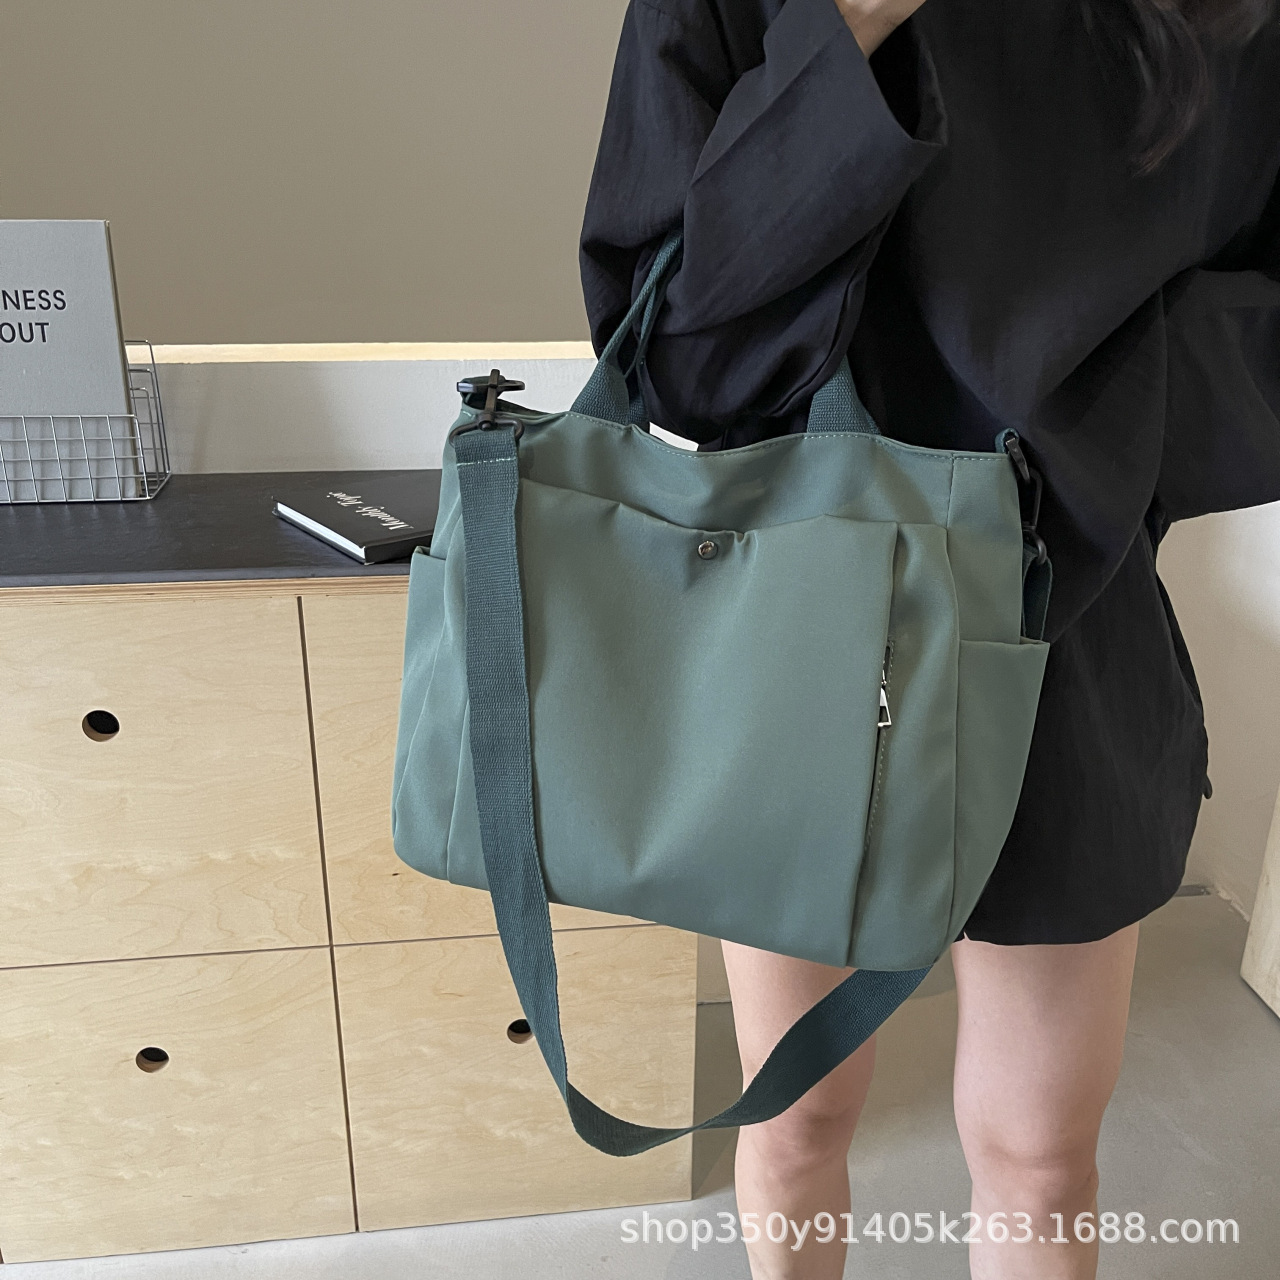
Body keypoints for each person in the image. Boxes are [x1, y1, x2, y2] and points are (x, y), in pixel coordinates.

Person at [578, 1, 1280, 1276]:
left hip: (1072, 611)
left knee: (1041, 1158)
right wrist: (839, 40)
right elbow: (673, 351)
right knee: (795, 1119)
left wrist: (1091, 432)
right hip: (798, 610)